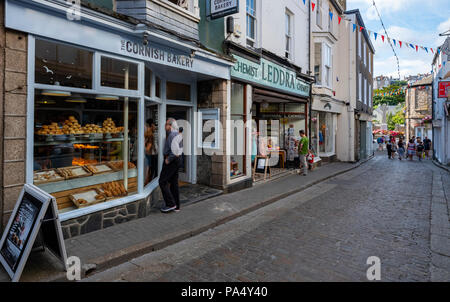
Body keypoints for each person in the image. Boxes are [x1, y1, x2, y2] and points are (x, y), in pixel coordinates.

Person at [159, 118, 183, 213]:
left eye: (166, 125)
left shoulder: (172, 135)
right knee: (174, 184)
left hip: (171, 161)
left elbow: (175, 151)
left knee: (162, 181)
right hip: (176, 161)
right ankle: (176, 206)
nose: (165, 127)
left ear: (170, 125)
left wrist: (168, 160)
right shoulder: (178, 134)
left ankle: (170, 204)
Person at [144, 119, 158, 184]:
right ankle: (150, 184)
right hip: (150, 154)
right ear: (152, 125)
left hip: (148, 154)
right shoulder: (150, 134)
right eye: (155, 125)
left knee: (149, 170)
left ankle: (148, 182)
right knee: (151, 170)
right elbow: (148, 147)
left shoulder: (146, 133)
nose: (155, 127)